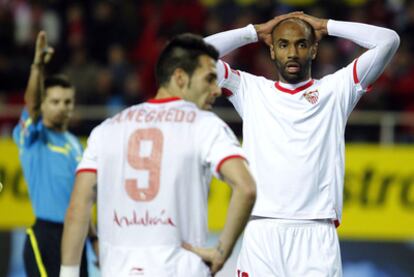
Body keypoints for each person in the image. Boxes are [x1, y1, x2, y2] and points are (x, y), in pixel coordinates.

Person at [205, 11, 400, 276]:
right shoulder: (249, 90)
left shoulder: (337, 89)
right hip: (262, 230)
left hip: (317, 233)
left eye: (301, 44)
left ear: (314, 49)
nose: (293, 52)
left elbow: (388, 40)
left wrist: (326, 25)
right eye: (283, 44)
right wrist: (254, 32)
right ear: (272, 51)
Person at [60, 34, 257, 277]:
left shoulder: (106, 129)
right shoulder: (204, 125)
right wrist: (221, 252)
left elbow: (78, 207)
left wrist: (67, 273)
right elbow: (246, 188)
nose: (216, 90)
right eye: (209, 79)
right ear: (180, 78)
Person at [12, 31, 96, 277]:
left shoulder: (75, 144)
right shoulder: (32, 136)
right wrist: (37, 66)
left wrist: (93, 239)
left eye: (67, 102)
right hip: (45, 237)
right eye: (56, 101)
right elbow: (32, 104)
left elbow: (83, 198)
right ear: (44, 104)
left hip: (77, 238)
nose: (62, 108)